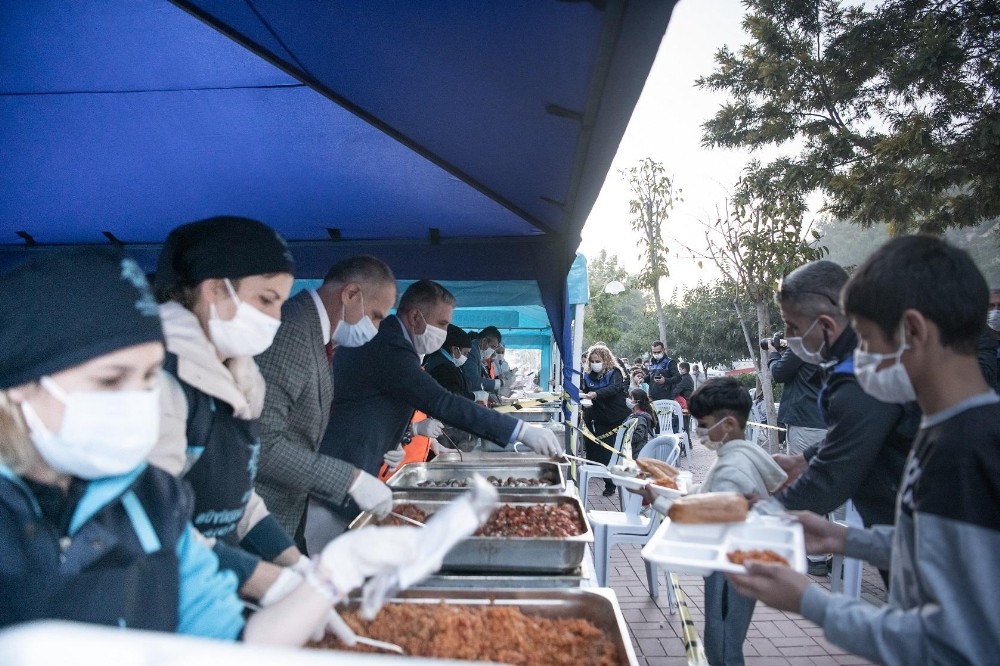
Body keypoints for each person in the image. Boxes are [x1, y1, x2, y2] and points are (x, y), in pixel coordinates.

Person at [0, 247, 422, 644]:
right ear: (22, 384)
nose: (139, 399)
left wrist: (325, 580)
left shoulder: (152, 499)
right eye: (111, 379)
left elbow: (230, 643)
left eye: (149, 377)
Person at [727, 235, 1000, 665]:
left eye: (867, 339)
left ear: (913, 330)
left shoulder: (964, 453)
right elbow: (933, 550)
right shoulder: (943, 430)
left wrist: (808, 602)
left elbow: (948, 644)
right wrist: (844, 538)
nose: (860, 357)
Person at [308, 280, 561, 548]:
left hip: (354, 471)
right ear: (416, 317)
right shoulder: (390, 347)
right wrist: (519, 431)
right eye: (441, 324)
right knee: (329, 571)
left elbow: (373, 404)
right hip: (336, 480)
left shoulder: (395, 344)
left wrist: (399, 437)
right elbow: (443, 402)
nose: (445, 331)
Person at [150, 216, 303, 601]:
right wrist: (268, 582)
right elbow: (155, 519)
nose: (276, 319)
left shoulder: (243, 374)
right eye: (266, 299)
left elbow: (237, 493)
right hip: (160, 584)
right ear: (215, 289)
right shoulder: (158, 376)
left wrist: (298, 565)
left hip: (213, 574)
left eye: (281, 303)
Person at [766, 259, 920, 536]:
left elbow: (831, 481)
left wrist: (757, 512)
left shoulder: (863, 374)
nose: (787, 338)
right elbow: (857, 432)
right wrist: (802, 461)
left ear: (826, 324)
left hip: (915, 532)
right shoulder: (855, 359)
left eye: (792, 326)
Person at [254, 255, 398, 547]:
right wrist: (351, 479)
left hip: (287, 512)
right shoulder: (291, 332)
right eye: (376, 316)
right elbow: (262, 443)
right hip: (261, 516)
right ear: (351, 294)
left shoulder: (321, 339)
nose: (377, 328)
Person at [644, 377, 786, 666]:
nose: (699, 432)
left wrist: (657, 498)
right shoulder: (739, 454)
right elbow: (707, 496)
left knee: (722, 646)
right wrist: (665, 489)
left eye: (705, 424)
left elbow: (703, 516)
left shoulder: (732, 469)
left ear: (729, 424)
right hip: (734, 563)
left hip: (729, 570)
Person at [582, 344, 632, 496]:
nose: (594, 364)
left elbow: (614, 389)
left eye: (598, 361)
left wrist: (596, 394)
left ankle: (612, 485)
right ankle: (604, 477)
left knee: (608, 452)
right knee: (593, 452)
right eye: (592, 361)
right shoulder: (588, 375)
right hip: (595, 416)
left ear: (605, 360)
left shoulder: (614, 373)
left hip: (615, 417)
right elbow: (585, 391)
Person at [767, 339, 825, 456]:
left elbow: (779, 372)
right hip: (829, 423)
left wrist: (773, 354)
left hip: (804, 425)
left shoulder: (803, 343)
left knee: (802, 471)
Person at [424, 323, 475, 399]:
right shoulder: (443, 367)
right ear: (454, 349)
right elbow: (452, 396)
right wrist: (474, 396)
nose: (466, 357)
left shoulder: (440, 360)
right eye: (465, 353)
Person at [462, 325, 509, 396]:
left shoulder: (478, 353)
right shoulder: (472, 351)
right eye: (492, 346)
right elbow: (473, 381)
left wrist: (496, 390)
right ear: (484, 341)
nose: (493, 351)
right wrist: (501, 383)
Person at [626, 388, 659, 458]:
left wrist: (625, 437)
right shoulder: (634, 415)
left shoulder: (641, 418)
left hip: (638, 453)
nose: (628, 400)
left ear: (637, 402)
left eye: (630, 398)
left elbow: (638, 436)